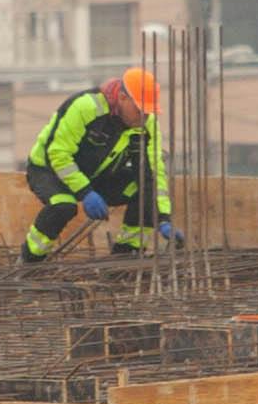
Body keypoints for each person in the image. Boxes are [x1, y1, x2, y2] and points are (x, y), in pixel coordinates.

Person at [17, 65, 172, 260]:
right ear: (123, 98)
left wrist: (163, 217)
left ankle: (126, 255)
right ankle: (30, 258)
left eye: (149, 112)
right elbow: (58, 153)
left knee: (144, 191)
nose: (145, 117)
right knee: (63, 206)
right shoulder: (86, 107)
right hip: (50, 169)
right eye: (141, 110)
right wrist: (85, 192)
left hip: (96, 175)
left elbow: (153, 172)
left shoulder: (146, 124)